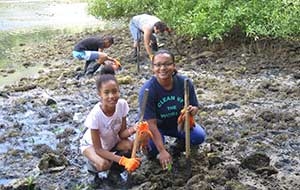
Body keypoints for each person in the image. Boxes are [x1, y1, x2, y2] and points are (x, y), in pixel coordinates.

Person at [138, 49, 206, 170]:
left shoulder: (185, 83)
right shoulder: (148, 90)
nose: (163, 68)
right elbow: (151, 125)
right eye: (158, 65)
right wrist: (162, 151)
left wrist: (191, 111)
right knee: (152, 149)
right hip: (158, 127)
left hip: (179, 124)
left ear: (174, 66)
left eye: (167, 64)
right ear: (152, 68)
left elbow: (195, 107)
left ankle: (179, 145)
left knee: (199, 136)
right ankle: (157, 151)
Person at [79, 65, 141, 179]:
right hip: (92, 146)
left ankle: (115, 172)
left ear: (119, 91)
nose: (111, 96)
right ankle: (91, 167)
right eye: (106, 93)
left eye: (114, 91)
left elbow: (122, 134)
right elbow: (98, 149)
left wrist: (135, 128)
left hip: (111, 142)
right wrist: (123, 160)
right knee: (103, 164)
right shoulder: (95, 115)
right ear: (99, 94)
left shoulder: (122, 105)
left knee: (129, 145)